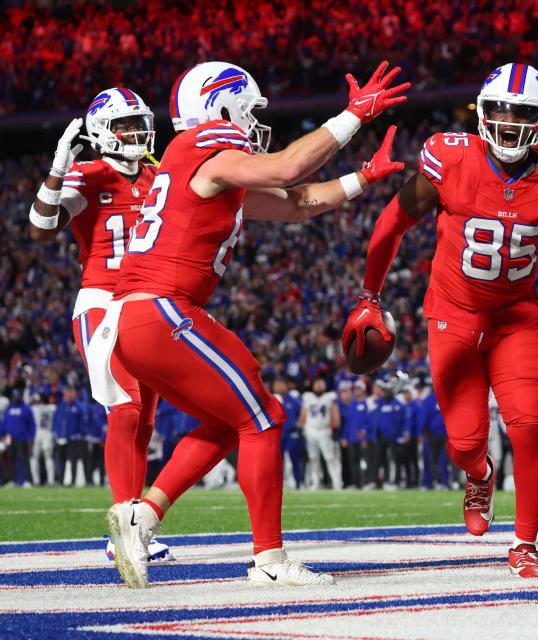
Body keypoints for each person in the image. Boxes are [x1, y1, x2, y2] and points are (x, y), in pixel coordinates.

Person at [88, 60, 409, 588]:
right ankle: (270, 560)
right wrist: (353, 116)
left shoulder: (203, 166)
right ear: (220, 105)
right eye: (250, 108)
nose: (256, 120)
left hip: (140, 318)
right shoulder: (203, 144)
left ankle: (140, 517)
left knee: (228, 422)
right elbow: (287, 170)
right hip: (162, 309)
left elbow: (298, 202)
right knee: (264, 416)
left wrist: (363, 178)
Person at [341, 62, 538, 577]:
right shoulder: (450, 157)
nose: (509, 121)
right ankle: (480, 474)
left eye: (524, 112)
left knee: (530, 427)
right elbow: (393, 221)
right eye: (501, 109)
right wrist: (369, 293)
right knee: (464, 443)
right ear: (482, 112)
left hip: (514, 321)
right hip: (452, 314)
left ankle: (526, 544)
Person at [29, 87, 160, 506]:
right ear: (103, 130)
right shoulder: (88, 173)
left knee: (145, 420)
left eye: (140, 123)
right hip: (103, 300)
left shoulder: (159, 175)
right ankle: (126, 524)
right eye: (125, 125)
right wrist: (56, 170)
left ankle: (132, 524)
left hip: (149, 302)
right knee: (125, 407)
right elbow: (40, 229)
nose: (137, 132)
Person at [299, 378, 342, 490]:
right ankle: (316, 482)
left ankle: (337, 482)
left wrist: (335, 428)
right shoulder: (307, 397)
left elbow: (334, 412)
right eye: (317, 384)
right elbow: (303, 413)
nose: (318, 386)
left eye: (320, 384)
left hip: (324, 431)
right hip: (310, 431)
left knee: (330, 457)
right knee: (313, 458)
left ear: (324, 386)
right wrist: (300, 427)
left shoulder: (329, 397)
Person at [2, 389, 36, 486]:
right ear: (12, 397)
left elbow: (32, 425)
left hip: (22, 438)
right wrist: (3, 434)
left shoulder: (26, 408)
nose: (16, 397)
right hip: (9, 438)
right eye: (14, 396)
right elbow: (5, 423)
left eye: (17, 396)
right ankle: (13, 480)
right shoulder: (8, 408)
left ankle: (28, 480)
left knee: (24, 460)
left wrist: (30, 437)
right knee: (11, 460)